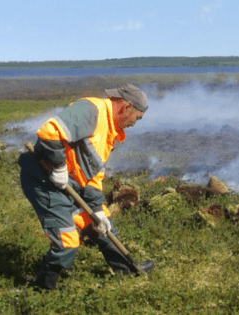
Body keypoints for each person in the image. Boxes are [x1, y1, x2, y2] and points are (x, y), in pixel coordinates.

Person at [18, 84, 155, 290]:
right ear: (126, 107)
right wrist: (59, 166)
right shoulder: (91, 110)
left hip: (69, 183)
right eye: (137, 117)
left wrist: (97, 209)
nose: (134, 123)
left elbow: (94, 175)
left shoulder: (109, 131)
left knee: (102, 223)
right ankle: (42, 288)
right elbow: (49, 133)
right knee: (68, 239)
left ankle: (126, 270)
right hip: (44, 180)